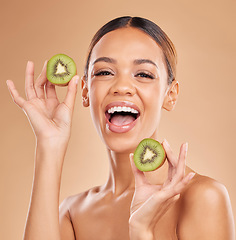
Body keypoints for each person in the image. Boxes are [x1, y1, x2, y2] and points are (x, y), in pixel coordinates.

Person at [6, 16, 235, 240]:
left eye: (143, 74)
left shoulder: (202, 198)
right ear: (85, 91)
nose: (122, 86)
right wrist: (49, 144)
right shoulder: (72, 214)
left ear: (170, 95)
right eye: (105, 72)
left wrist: (141, 232)